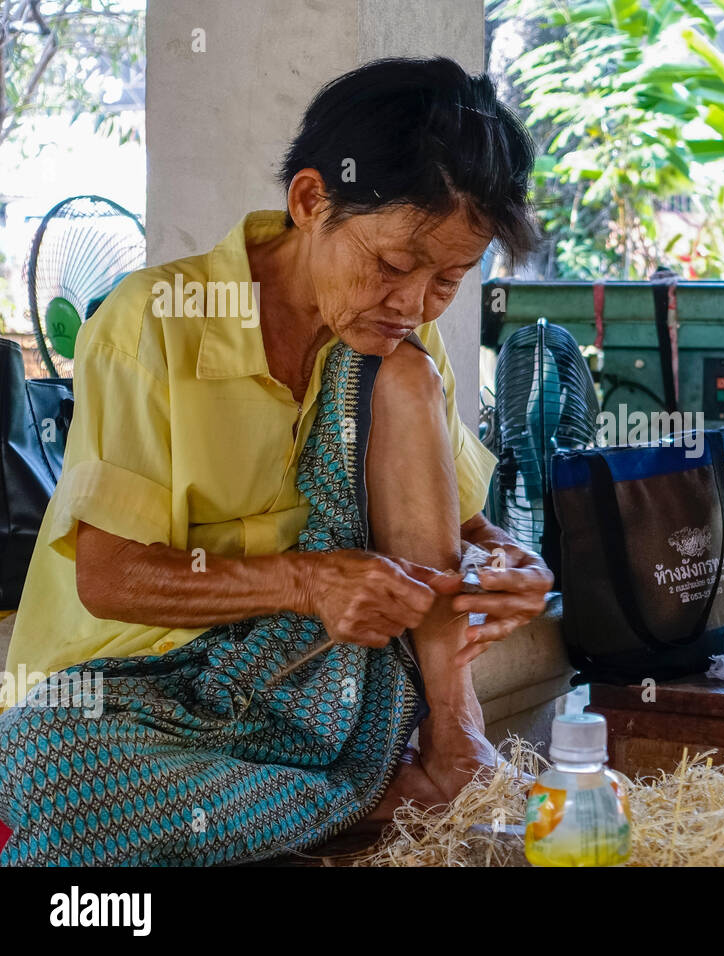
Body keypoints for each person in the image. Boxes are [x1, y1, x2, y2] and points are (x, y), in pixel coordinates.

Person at [0, 57, 553, 865]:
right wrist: (307, 580)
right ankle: (370, 798)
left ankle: (450, 747)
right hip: (133, 688)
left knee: (402, 377)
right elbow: (109, 575)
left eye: (450, 280)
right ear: (309, 201)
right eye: (395, 265)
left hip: (308, 684)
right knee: (37, 771)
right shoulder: (152, 320)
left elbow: (448, 524)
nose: (413, 302)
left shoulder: (392, 342)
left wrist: (508, 557)